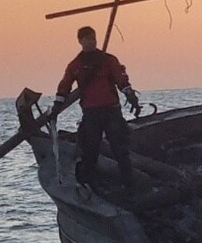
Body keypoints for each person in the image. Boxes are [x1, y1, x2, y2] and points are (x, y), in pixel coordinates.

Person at [53, 25, 141, 191]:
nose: (91, 42)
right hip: (91, 113)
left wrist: (131, 97)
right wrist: (58, 104)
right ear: (80, 41)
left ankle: (129, 185)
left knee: (120, 149)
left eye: (93, 38)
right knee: (90, 150)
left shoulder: (108, 60)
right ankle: (92, 185)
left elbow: (121, 80)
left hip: (111, 111)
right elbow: (65, 85)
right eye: (87, 39)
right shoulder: (75, 65)